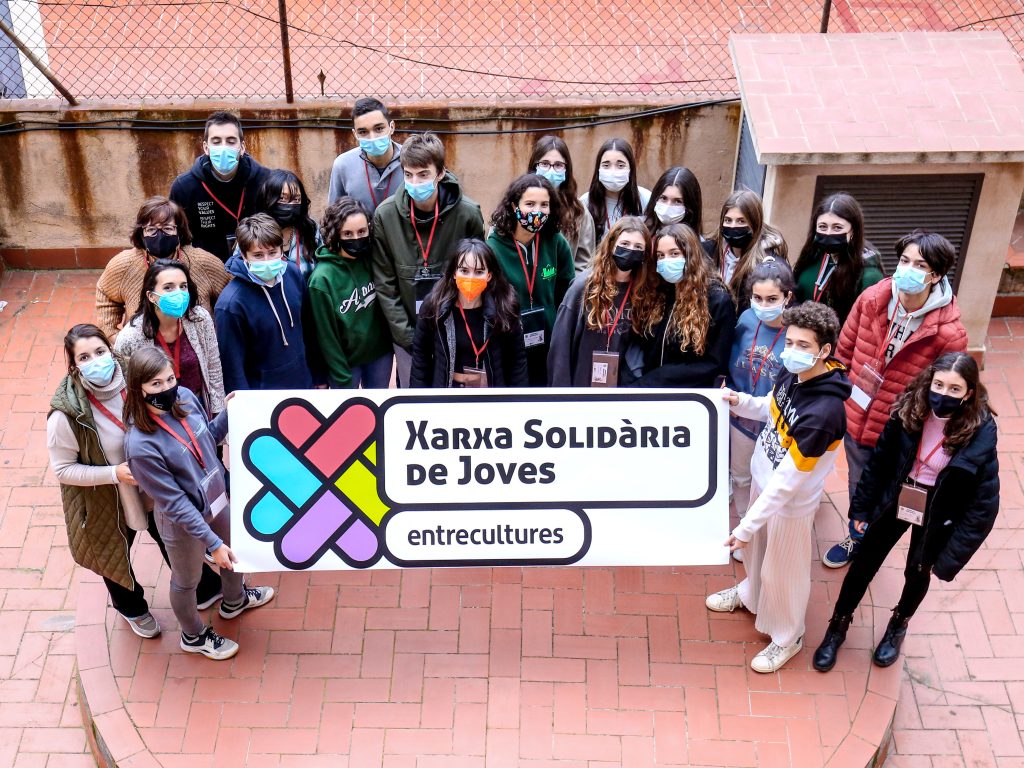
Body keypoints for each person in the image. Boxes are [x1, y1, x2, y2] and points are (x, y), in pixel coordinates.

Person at [813, 352, 998, 672]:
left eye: (954, 389)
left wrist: (951, 555)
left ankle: (898, 624)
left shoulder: (980, 432)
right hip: (898, 494)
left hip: (939, 508)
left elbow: (984, 505)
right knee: (864, 562)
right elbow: (880, 463)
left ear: (969, 393)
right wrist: (862, 508)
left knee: (918, 570)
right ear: (930, 382)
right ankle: (837, 626)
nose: (943, 394)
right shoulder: (910, 409)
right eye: (939, 385)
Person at [48, 325, 222, 639]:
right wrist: (114, 473)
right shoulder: (67, 414)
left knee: (172, 536)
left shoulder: (136, 376)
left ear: (111, 350)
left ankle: (204, 587)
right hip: (108, 497)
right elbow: (63, 470)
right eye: (84, 357)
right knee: (113, 552)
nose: (96, 361)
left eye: (100, 351)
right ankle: (132, 608)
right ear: (73, 365)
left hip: (155, 485)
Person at [707, 302, 851, 673]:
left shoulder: (824, 414)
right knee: (756, 557)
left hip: (789, 505)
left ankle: (788, 636)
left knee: (783, 573)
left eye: (804, 345)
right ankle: (750, 595)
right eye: (790, 342)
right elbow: (772, 408)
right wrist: (741, 402)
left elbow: (788, 481)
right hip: (762, 480)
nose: (792, 351)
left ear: (824, 351)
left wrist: (744, 526)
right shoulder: (792, 373)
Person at [822, 230, 968, 569]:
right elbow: (844, 350)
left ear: (936, 275)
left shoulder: (949, 333)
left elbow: (943, 391)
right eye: (904, 260)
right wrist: (842, 395)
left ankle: (868, 541)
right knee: (859, 481)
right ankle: (857, 535)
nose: (907, 269)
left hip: (898, 431)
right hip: (856, 415)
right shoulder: (872, 299)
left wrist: (910, 422)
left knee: (885, 490)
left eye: (920, 265)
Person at [124, 347, 275, 660]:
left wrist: (227, 415)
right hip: (183, 522)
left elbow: (207, 439)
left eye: (170, 379)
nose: (167, 388)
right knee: (187, 580)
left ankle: (235, 601)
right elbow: (175, 504)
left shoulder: (185, 399)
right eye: (155, 384)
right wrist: (212, 543)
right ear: (139, 388)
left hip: (215, 500)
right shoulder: (140, 446)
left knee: (234, 551)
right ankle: (192, 635)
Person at [372, 132, 485, 387]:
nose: (415, 182)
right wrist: (408, 337)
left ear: (440, 173)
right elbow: (385, 284)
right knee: (413, 396)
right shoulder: (385, 216)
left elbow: (477, 275)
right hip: (407, 334)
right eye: (408, 174)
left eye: (423, 174)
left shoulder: (468, 214)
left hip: (457, 331)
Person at [726, 258, 796, 533]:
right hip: (742, 415)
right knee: (741, 476)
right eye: (757, 298)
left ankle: (768, 530)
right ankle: (745, 526)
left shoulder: (797, 331)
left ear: (787, 297)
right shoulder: (746, 319)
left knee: (772, 481)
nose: (763, 305)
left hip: (778, 421)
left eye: (772, 299)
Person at [95, 197, 229, 341]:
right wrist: (114, 336)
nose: (159, 235)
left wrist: (218, 337)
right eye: (151, 229)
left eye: (167, 228)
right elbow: (106, 295)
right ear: (141, 233)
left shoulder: (204, 262)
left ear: (179, 231)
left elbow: (230, 300)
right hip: (143, 350)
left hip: (197, 346)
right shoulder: (123, 264)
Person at [547, 217, 660, 387]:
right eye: (625, 244)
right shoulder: (584, 286)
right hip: (580, 384)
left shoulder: (643, 290)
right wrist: (561, 392)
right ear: (611, 244)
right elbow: (560, 345)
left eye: (638, 247)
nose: (630, 250)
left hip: (621, 387)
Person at [216, 214, 323, 392]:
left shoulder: (293, 274)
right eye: (258, 255)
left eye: (273, 253)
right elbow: (233, 367)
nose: (267, 261)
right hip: (263, 396)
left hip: (304, 385)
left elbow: (309, 330)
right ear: (244, 255)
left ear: (281, 250)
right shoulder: (231, 304)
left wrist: (319, 376)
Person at [487, 173, 575, 386]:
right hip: (509, 345)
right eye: (530, 204)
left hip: (549, 342)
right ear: (514, 206)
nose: (538, 211)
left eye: (544, 205)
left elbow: (566, 292)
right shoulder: (493, 247)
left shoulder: (556, 242)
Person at [627, 223, 736, 387]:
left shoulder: (717, 300)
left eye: (674, 253)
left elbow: (715, 362)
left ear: (691, 255)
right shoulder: (659, 292)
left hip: (690, 394)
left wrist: (660, 378)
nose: (666, 261)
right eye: (660, 255)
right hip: (647, 388)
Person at [114, 259, 226, 418]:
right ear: (151, 296)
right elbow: (126, 386)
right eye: (168, 287)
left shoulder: (200, 318)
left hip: (197, 405)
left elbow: (213, 366)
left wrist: (217, 411)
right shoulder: (130, 337)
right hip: (156, 412)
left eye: (183, 286)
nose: (178, 293)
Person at [410, 238, 528, 387]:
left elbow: (516, 359)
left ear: (489, 275)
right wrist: (419, 397)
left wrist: (517, 398)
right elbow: (421, 356)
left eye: (479, 272)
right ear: (454, 273)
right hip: (447, 390)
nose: (471, 278)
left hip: (491, 392)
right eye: (464, 271)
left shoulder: (504, 306)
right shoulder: (434, 305)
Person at [308, 197, 394, 388]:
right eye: (347, 233)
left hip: (380, 355)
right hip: (346, 364)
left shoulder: (374, 258)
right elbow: (326, 336)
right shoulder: (322, 279)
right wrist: (341, 377)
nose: (356, 238)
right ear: (335, 234)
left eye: (362, 231)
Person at [169, 111, 270, 262]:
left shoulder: (266, 181)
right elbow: (177, 236)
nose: (224, 148)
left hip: (258, 265)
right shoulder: (184, 187)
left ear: (242, 147)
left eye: (231, 141)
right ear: (206, 148)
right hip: (207, 269)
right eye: (216, 142)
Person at [793, 192, 885, 325]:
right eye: (822, 226)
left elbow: (867, 324)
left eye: (837, 228)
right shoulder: (812, 254)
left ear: (853, 231)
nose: (828, 233)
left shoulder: (869, 274)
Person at [708, 189, 787, 312]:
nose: (733, 226)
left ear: (755, 224)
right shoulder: (709, 252)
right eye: (728, 220)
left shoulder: (769, 265)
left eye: (741, 221)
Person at [527, 135, 596, 273]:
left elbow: (584, 264)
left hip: (564, 284)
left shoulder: (578, 212)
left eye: (558, 165)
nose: (551, 170)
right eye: (545, 164)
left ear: (566, 169)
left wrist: (568, 284)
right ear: (535, 166)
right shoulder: (517, 204)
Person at [328, 97, 403, 214]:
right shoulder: (343, 165)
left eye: (379, 129)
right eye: (363, 132)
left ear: (392, 127)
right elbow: (334, 216)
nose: (372, 137)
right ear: (355, 134)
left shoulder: (412, 159)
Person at [251, 169, 322, 280]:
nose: (290, 205)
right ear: (267, 199)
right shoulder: (251, 232)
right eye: (283, 199)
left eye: (296, 199)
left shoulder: (310, 230)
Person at [581, 138, 651, 243]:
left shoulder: (645, 198)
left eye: (620, 165)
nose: (613, 171)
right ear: (598, 169)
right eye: (606, 165)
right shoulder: (585, 202)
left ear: (630, 169)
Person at [643, 167, 705, 245]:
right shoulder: (640, 232)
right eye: (663, 198)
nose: (668, 206)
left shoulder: (698, 245)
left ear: (690, 207)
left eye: (677, 201)